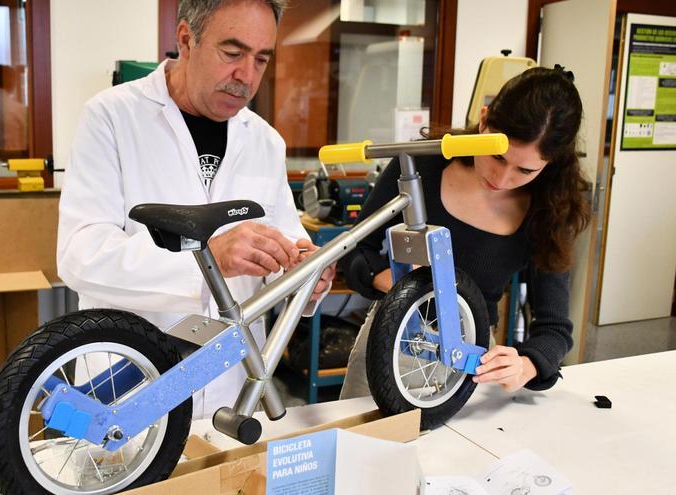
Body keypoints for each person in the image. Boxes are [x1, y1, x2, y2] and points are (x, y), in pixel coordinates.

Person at [57, 0, 335, 419]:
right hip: (127, 382)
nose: (247, 76)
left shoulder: (264, 141)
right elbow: (81, 255)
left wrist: (305, 274)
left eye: (261, 59)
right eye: (232, 53)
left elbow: (288, 244)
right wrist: (209, 263)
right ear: (186, 39)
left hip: (233, 390)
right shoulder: (112, 118)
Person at [340, 66, 590, 398]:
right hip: (393, 336)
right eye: (497, 157)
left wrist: (526, 364)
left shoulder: (548, 208)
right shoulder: (420, 165)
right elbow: (356, 252)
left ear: (551, 163)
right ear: (484, 120)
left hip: (472, 359)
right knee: (364, 446)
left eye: (525, 170)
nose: (501, 179)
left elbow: (555, 329)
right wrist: (407, 286)